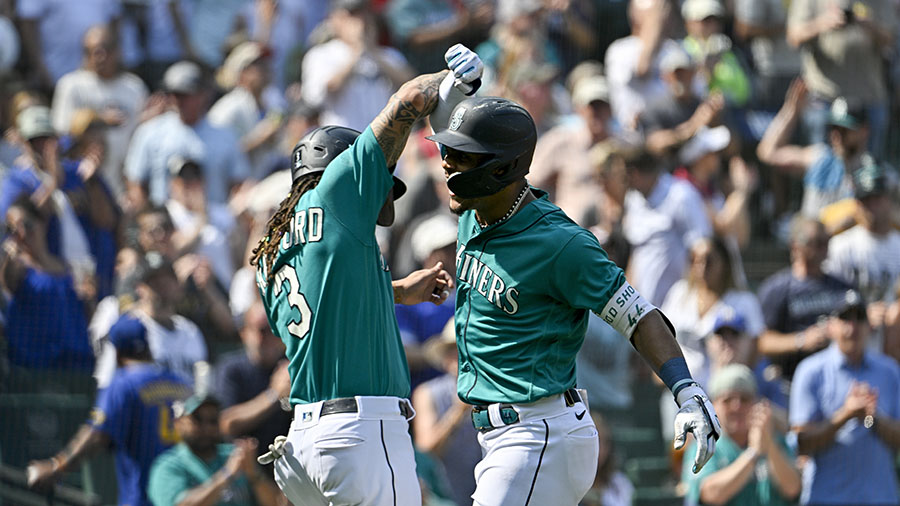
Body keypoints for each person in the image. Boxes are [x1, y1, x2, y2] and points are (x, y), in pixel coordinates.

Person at [427, 74, 721, 505]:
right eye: (448, 153)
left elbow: (639, 316)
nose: (447, 164)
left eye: (462, 157)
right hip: (508, 436)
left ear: (503, 168)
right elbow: (449, 134)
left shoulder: (561, 243)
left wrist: (686, 390)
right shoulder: (479, 210)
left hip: (539, 433)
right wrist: (451, 91)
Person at [249, 44, 473, 505]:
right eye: (381, 174)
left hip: (303, 445)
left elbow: (322, 307)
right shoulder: (336, 194)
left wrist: (393, 291)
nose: (384, 190)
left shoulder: (271, 252)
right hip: (359, 433)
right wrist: (454, 84)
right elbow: (409, 100)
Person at [26, 315, 192, 506]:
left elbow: (97, 435)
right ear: (148, 348)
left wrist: (58, 466)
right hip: (188, 497)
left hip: (144, 498)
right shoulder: (182, 383)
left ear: (118, 353)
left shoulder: (123, 384)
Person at [790, 289, 900, 505]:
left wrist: (873, 418)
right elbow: (800, 443)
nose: (852, 327)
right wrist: (846, 415)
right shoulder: (811, 371)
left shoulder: (889, 371)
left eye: (859, 318)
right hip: (826, 498)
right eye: (845, 318)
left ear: (869, 326)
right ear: (831, 326)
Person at [124, 60, 251, 208]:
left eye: (185, 95)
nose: (178, 101)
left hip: (213, 221)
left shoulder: (225, 135)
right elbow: (135, 181)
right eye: (173, 94)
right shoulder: (149, 132)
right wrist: (147, 219)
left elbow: (239, 184)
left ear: (203, 94)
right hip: (165, 224)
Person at [51, 24, 148, 197]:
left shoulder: (134, 86)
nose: (99, 57)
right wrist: (99, 120)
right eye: (92, 51)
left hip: (122, 182)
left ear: (118, 50)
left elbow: (140, 135)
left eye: (105, 50)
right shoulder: (71, 85)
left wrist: (147, 120)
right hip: (82, 183)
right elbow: (62, 132)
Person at [683, 364, 801, 506]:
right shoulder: (704, 446)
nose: (736, 406)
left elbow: (793, 489)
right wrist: (753, 453)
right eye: (727, 400)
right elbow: (711, 494)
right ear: (713, 406)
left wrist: (769, 445)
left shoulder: (774, 441)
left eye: (744, 399)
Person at [757, 80, 871, 220]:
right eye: (834, 128)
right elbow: (768, 152)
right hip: (812, 239)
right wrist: (791, 110)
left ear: (863, 131)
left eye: (845, 129)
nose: (837, 135)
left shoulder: (875, 172)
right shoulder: (819, 158)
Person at [756, 217, 852, 380]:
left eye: (826, 241)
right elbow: (762, 341)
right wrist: (800, 340)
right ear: (795, 246)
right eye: (816, 242)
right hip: (791, 377)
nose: (824, 247)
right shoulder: (778, 288)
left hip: (839, 376)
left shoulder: (842, 286)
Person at [147, 394, 283, 506]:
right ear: (178, 423)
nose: (207, 428)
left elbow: (275, 503)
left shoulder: (234, 455)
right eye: (198, 419)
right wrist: (226, 474)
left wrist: (254, 475)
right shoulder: (168, 466)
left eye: (213, 420)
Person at [621, 146, 712, 307]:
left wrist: (691, 302)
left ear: (634, 173)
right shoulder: (632, 200)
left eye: (623, 175)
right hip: (642, 312)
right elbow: (637, 255)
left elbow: (701, 249)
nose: (621, 181)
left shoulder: (682, 195)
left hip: (677, 312)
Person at [412, 320, 480, 506]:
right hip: (447, 498)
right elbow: (427, 449)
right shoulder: (427, 393)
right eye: (453, 350)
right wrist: (458, 412)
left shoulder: (497, 393)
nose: (459, 357)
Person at [215, 301, 292, 454]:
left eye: (274, 329)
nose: (270, 337)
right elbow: (227, 423)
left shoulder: (291, 366)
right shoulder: (232, 369)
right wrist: (274, 394)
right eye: (262, 330)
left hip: (288, 459)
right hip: (246, 463)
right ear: (244, 333)